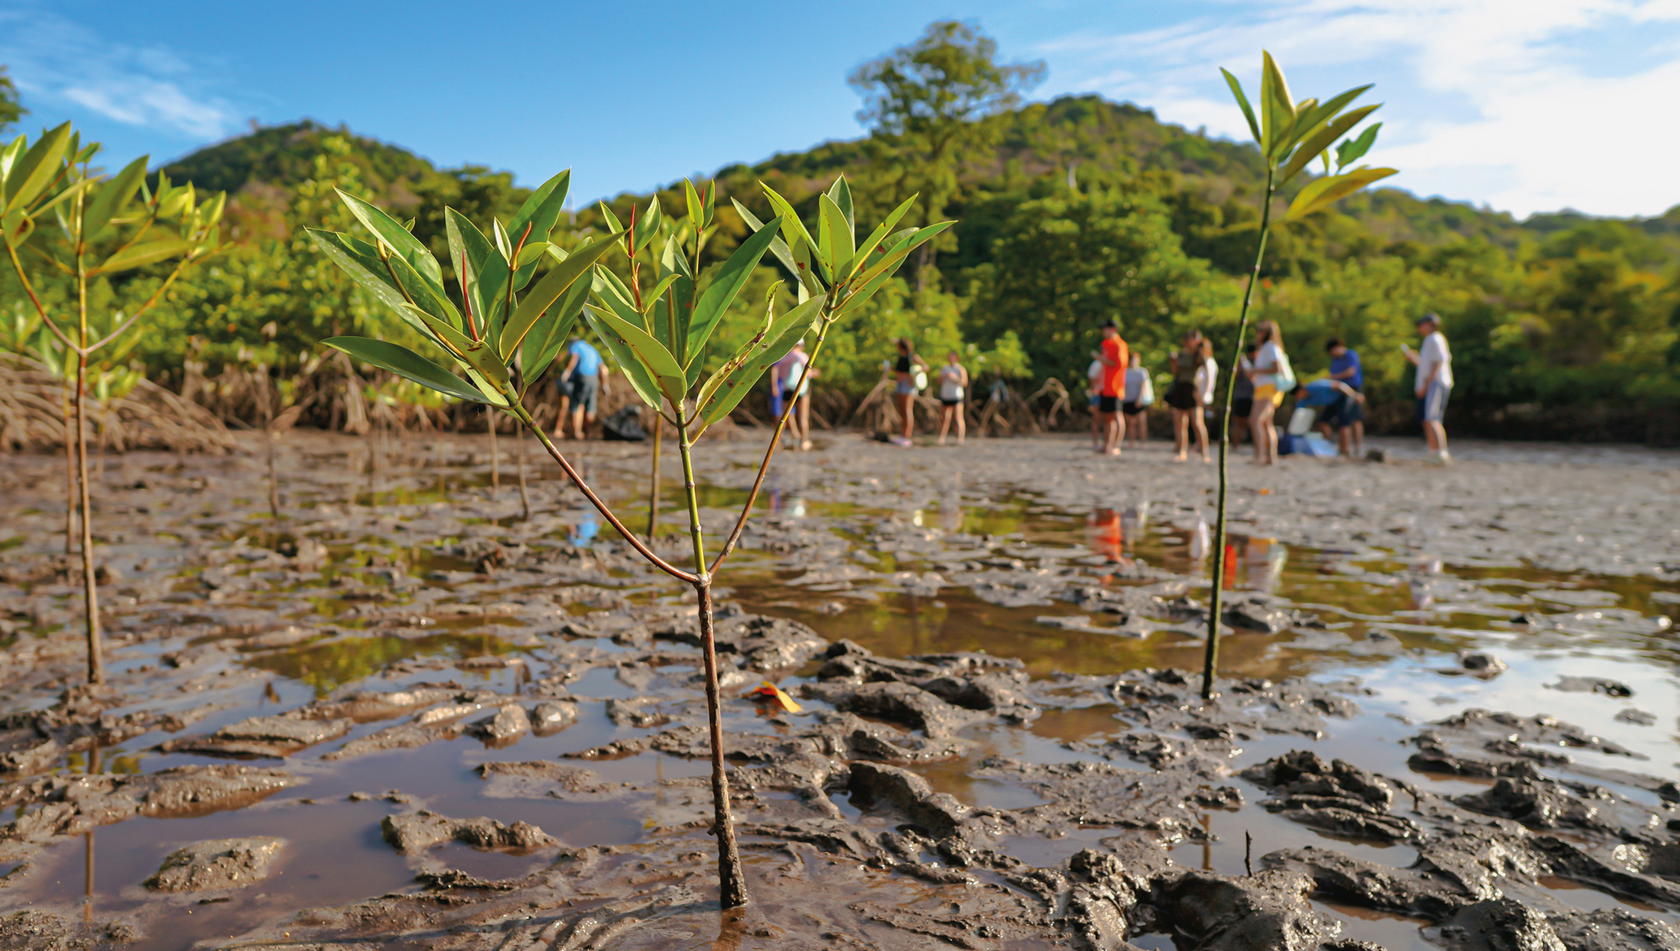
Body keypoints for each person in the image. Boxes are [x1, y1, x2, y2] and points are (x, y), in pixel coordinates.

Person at [1403, 312, 1453, 463]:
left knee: (1432, 418)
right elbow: (1426, 365)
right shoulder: (1429, 340)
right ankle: (1433, 451)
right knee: (1427, 419)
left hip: (1435, 383)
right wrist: (1414, 359)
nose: (1419, 328)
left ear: (1430, 324)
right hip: (1432, 383)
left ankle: (1441, 453)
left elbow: (1439, 363)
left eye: (1421, 324)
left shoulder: (1435, 339)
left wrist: (1426, 385)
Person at [1247, 320, 1292, 465]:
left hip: (1269, 388)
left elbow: (1276, 369)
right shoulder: (1267, 348)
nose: (1257, 333)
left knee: (1255, 421)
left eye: (1260, 330)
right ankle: (1270, 457)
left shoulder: (1271, 347)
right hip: (1263, 388)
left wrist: (1255, 370)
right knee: (1267, 423)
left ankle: (1259, 456)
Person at [1167, 331, 1216, 463]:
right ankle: (1182, 451)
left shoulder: (1199, 355)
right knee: (1180, 422)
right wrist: (1173, 362)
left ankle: (1204, 452)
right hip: (1180, 388)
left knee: (1197, 422)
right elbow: (1175, 372)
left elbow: (1208, 374)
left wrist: (1205, 393)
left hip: (1192, 389)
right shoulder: (1181, 354)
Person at [555, 336, 607, 439]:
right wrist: (605, 384)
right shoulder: (592, 349)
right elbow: (603, 369)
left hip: (582, 377)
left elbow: (574, 358)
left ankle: (577, 433)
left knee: (577, 405)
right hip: (594, 379)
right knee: (590, 407)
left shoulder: (576, 346)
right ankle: (587, 431)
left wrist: (567, 372)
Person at [885, 338, 928, 447]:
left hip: (908, 386)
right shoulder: (901, 357)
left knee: (907, 410)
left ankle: (907, 437)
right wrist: (889, 370)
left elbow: (925, 367)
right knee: (902, 411)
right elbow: (899, 372)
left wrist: (912, 376)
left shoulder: (912, 356)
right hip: (900, 385)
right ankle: (902, 435)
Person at [1325, 338, 1365, 457]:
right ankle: (1343, 448)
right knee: (1343, 419)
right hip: (1339, 391)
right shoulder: (1335, 360)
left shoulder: (1351, 355)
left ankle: (1358, 447)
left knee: (1355, 418)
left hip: (1353, 388)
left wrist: (1333, 377)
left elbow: (1351, 372)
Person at [1096, 319, 1129, 456]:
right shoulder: (1106, 344)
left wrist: (1101, 359)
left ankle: (1117, 445)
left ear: (1113, 329)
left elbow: (1120, 364)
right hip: (1105, 387)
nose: (1103, 332)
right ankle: (1107, 445)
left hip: (1115, 387)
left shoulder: (1120, 345)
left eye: (1105, 329)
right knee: (1107, 418)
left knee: (1117, 416)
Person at [777, 339, 816, 451]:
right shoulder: (802, 356)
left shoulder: (784, 358)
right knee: (803, 417)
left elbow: (780, 374)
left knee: (788, 416)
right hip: (801, 390)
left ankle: (795, 434)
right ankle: (804, 441)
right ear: (801, 346)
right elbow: (808, 373)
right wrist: (815, 373)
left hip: (787, 389)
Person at [936, 351, 969, 446]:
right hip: (946, 395)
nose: (951, 359)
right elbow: (938, 380)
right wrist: (945, 376)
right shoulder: (945, 368)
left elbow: (964, 382)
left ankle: (960, 438)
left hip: (956, 396)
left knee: (958, 417)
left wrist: (954, 378)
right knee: (944, 418)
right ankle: (941, 437)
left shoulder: (960, 369)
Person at [1121, 352, 1153, 448]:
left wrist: (1140, 399)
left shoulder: (1142, 372)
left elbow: (1144, 386)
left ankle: (1143, 442)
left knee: (1142, 422)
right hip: (1128, 399)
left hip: (1140, 400)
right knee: (1130, 423)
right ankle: (1132, 442)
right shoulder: (1125, 372)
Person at [1229, 344, 1256, 447]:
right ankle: (1235, 444)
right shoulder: (1244, 362)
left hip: (1253, 396)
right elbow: (1235, 375)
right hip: (1242, 396)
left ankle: (1255, 445)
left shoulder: (1258, 362)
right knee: (1238, 422)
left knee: (1252, 422)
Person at [1086, 354, 1105, 450]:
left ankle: (1106, 443)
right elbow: (1091, 379)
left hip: (1109, 394)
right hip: (1098, 394)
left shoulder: (1112, 364)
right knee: (1096, 419)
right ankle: (1095, 442)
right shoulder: (1097, 364)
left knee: (1108, 420)